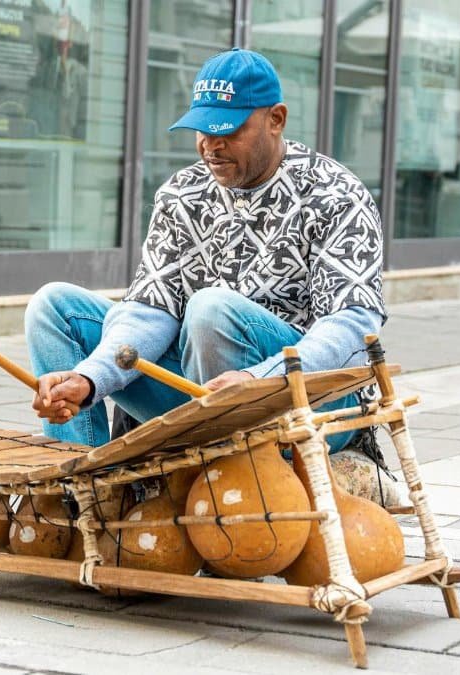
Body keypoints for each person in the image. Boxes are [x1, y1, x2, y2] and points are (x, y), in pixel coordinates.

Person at [25, 48, 399, 502]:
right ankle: (88, 499)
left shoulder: (337, 194)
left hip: (306, 401)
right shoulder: (183, 194)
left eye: (228, 130)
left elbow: (352, 326)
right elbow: (150, 308)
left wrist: (261, 377)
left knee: (209, 308)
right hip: (197, 396)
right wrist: (88, 380)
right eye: (203, 129)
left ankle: (233, 487)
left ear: (276, 119)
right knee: (52, 305)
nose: (210, 145)